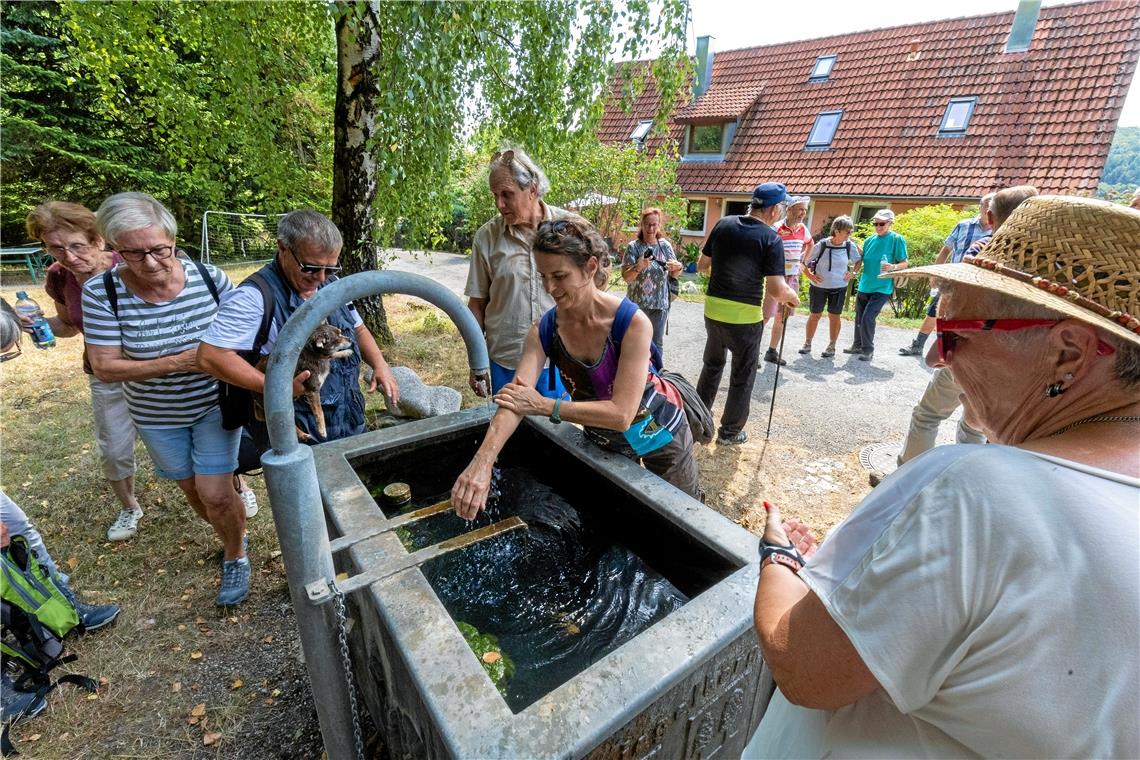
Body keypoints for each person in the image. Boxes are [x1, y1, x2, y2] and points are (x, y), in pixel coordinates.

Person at [748, 195, 1139, 758]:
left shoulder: (971, 491)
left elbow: (804, 668)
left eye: (955, 333)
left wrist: (779, 558)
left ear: (1069, 352)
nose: (937, 358)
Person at [451, 218, 700, 517]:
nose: (549, 288)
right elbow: (515, 400)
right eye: (543, 276)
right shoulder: (544, 330)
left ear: (591, 267)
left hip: (660, 430)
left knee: (681, 518)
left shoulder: (631, 323)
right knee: (621, 520)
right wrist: (482, 462)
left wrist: (546, 406)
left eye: (559, 275)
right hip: (606, 440)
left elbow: (621, 414)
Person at [81, 192, 250, 606]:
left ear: (173, 239)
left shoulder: (210, 279)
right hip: (156, 415)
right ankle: (227, 534)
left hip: (214, 405)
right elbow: (105, 366)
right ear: (114, 249)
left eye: (160, 249)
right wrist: (178, 362)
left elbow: (245, 338)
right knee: (192, 490)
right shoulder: (103, 293)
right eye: (134, 254)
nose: (152, 262)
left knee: (214, 492)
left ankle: (236, 554)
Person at [197, 209, 398, 447]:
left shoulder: (333, 285)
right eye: (310, 267)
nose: (322, 278)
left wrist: (380, 364)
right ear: (283, 248)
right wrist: (277, 388)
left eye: (331, 269)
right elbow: (210, 357)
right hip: (299, 435)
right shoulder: (253, 298)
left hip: (348, 420)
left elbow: (358, 329)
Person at [24, 202, 151, 541]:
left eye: (76, 245)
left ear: (98, 240)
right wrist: (34, 325)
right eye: (56, 247)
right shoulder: (59, 277)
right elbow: (67, 325)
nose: (68, 255)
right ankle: (129, 506)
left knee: (203, 432)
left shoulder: (135, 264)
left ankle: (237, 484)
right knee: (113, 449)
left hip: (158, 368)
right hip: (106, 374)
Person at [894, 185, 1039, 468]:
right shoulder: (1044, 260)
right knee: (977, 425)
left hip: (969, 348)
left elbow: (953, 301)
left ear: (989, 217)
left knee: (928, 415)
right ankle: (965, 480)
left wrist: (943, 343)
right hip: (1016, 360)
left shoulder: (981, 250)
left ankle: (907, 477)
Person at [465, 146, 577, 396]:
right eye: (494, 195)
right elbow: (477, 304)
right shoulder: (487, 237)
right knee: (510, 431)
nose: (499, 204)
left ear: (533, 189)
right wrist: (476, 362)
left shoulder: (570, 228)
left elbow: (595, 286)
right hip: (506, 360)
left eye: (507, 194)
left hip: (558, 361)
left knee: (555, 432)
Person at [696, 183, 800, 445]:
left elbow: (702, 266)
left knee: (712, 366)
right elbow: (777, 289)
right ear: (775, 209)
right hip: (744, 319)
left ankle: (697, 420)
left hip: (714, 311)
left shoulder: (723, 224)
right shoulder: (771, 238)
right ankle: (730, 433)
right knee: (742, 375)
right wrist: (793, 296)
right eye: (782, 207)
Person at [898, 193, 993, 356]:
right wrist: (935, 273)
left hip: (977, 282)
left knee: (966, 315)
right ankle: (917, 345)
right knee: (935, 311)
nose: (988, 211)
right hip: (952, 278)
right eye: (986, 206)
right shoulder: (963, 225)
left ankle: (958, 351)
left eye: (992, 208)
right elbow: (946, 250)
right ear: (981, 207)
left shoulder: (997, 231)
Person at [845, 209, 907, 362]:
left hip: (883, 286)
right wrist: (853, 272)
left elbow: (905, 263)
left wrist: (892, 267)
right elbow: (862, 259)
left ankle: (868, 350)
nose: (878, 226)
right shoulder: (869, 240)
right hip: (865, 285)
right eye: (876, 224)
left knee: (868, 317)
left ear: (890, 223)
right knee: (859, 317)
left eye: (882, 224)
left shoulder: (897, 239)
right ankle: (857, 345)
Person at [620, 207, 682, 357]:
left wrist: (678, 267)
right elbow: (626, 277)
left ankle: (657, 376)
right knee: (634, 341)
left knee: (656, 344)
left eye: (654, 224)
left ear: (659, 225)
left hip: (659, 305)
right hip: (636, 305)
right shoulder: (633, 247)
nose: (651, 228)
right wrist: (638, 267)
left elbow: (675, 273)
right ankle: (635, 375)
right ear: (642, 224)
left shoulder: (665, 246)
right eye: (647, 224)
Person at [799, 215, 860, 358]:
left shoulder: (849, 246)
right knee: (815, 315)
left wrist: (853, 273)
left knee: (834, 317)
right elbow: (803, 260)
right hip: (818, 287)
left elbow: (858, 261)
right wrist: (811, 276)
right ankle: (807, 343)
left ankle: (832, 346)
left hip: (839, 287)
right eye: (847, 232)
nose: (849, 235)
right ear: (837, 231)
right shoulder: (822, 245)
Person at [763, 196, 813, 367]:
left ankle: (772, 351)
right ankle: (752, 353)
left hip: (792, 277)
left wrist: (803, 262)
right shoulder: (776, 228)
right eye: (800, 209)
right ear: (789, 209)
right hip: (775, 277)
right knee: (765, 315)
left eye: (805, 211)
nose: (802, 213)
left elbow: (810, 244)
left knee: (782, 316)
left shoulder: (802, 229)